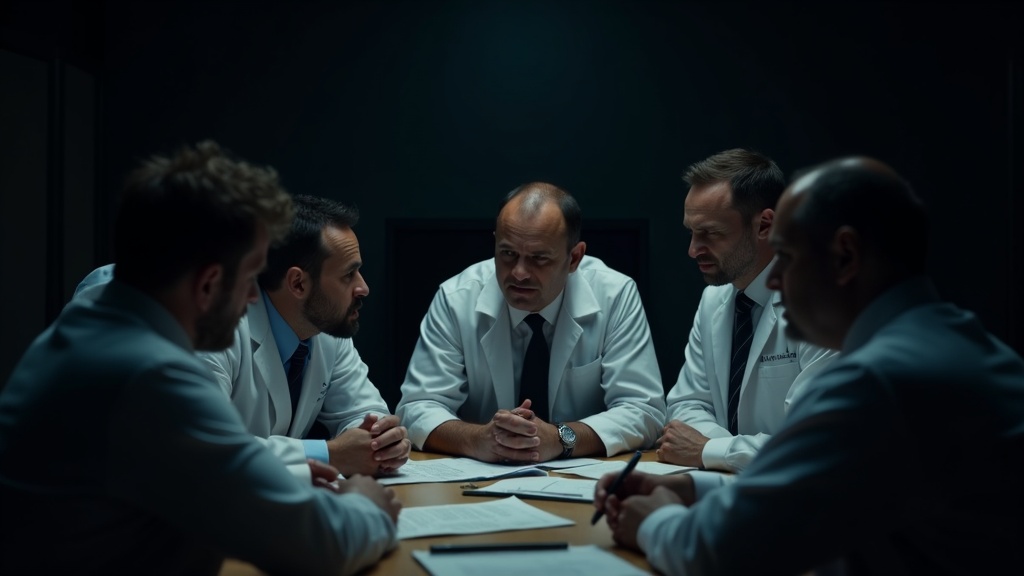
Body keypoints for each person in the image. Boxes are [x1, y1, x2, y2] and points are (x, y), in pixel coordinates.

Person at [593, 157, 1024, 574]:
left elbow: (713, 550)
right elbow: (820, 488)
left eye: (786, 255)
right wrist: (693, 486)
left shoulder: (876, 380)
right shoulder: (964, 345)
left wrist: (651, 520)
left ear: (845, 256)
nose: (773, 280)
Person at [0, 141, 400, 575]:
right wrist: (367, 503)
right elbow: (323, 545)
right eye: (250, 278)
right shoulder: (151, 375)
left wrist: (286, 479)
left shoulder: (91, 332)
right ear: (208, 284)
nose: (254, 298)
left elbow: (191, 480)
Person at [72, 196, 411, 478]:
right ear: (297, 283)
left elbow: (364, 411)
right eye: (349, 275)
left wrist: (382, 440)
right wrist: (330, 454)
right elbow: (201, 447)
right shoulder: (207, 323)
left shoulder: (325, 323)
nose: (364, 287)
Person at [396, 181, 666, 463]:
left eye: (539, 258)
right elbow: (417, 407)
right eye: (508, 253)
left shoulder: (614, 295)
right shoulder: (456, 298)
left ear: (574, 258)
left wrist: (561, 438)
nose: (519, 273)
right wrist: (477, 440)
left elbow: (644, 411)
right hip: (481, 475)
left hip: (583, 477)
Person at [660, 148, 836, 472]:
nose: (693, 250)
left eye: (710, 233)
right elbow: (688, 404)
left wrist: (709, 450)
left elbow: (814, 441)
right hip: (732, 484)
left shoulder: (823, 303)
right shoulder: (713, 300)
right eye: (691, 232)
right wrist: (720, 452)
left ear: (765, 225)